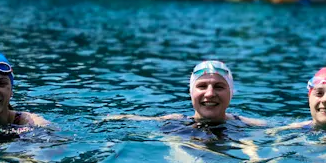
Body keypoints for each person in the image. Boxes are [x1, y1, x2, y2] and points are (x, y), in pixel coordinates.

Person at [107, 60, 266, 127]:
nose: (209, 94)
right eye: (202, 86)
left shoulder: (246, 124)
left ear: (230, 93)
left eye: (219, 87)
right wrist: (116, 118)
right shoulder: (176, 122)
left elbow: (281, 128)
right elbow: (142, 120)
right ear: (191, 93)